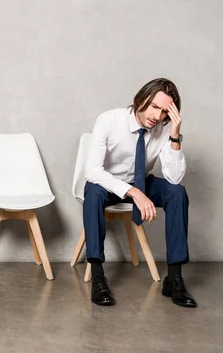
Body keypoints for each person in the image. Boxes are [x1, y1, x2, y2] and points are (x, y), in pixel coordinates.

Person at [83, 78, 196, 307]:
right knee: (93, 194)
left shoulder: (163, 130)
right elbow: (92, 170)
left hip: (141, 183)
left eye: (165, 112)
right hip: (107, 183)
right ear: (142, 98)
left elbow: (174, 178)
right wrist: (133, 192)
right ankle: (97, 276)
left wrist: (174, 135)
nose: (157, 116)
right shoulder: (109, 120)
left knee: (177, 193)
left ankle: (174, 278)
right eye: (155, 106)